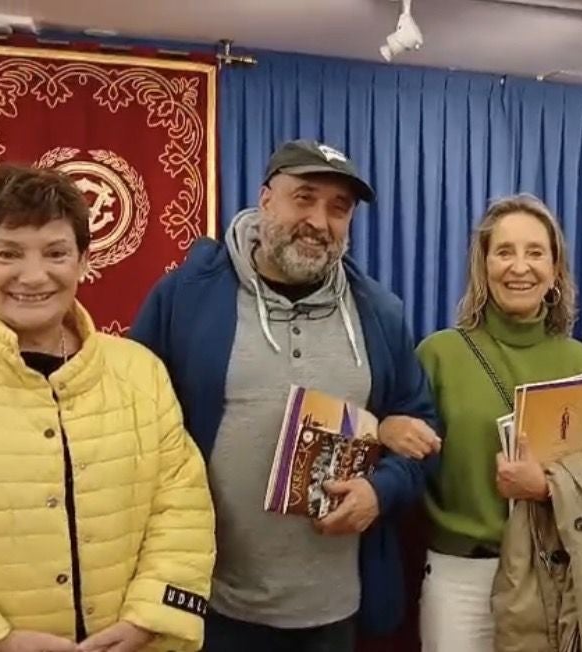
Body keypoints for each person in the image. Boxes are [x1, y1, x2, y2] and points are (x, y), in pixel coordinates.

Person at [0, 163, 215, 652]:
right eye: (8, 253)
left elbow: (182, 509)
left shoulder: (140, 372)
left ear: (83, 261)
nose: (34, 276)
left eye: (56, 253)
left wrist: (148, 619)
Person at [130, 139, 440, 652]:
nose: (319, 221)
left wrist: (380, 491)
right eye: (305, 198)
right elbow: (136, 420)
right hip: (210, 599)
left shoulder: (380, 313)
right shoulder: (186, 295)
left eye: (338, 209)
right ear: (266, 199)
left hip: (335, 610)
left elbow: (419, 430)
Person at [414, 194, 582, 652]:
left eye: (535, 252)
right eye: (504, 252)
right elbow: (405, 464)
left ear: (555, 270)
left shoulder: (581, 361)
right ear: (483, 265)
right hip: (462, 577)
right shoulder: (438, 355)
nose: (520, 267)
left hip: (558, 570)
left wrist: (548, 486)